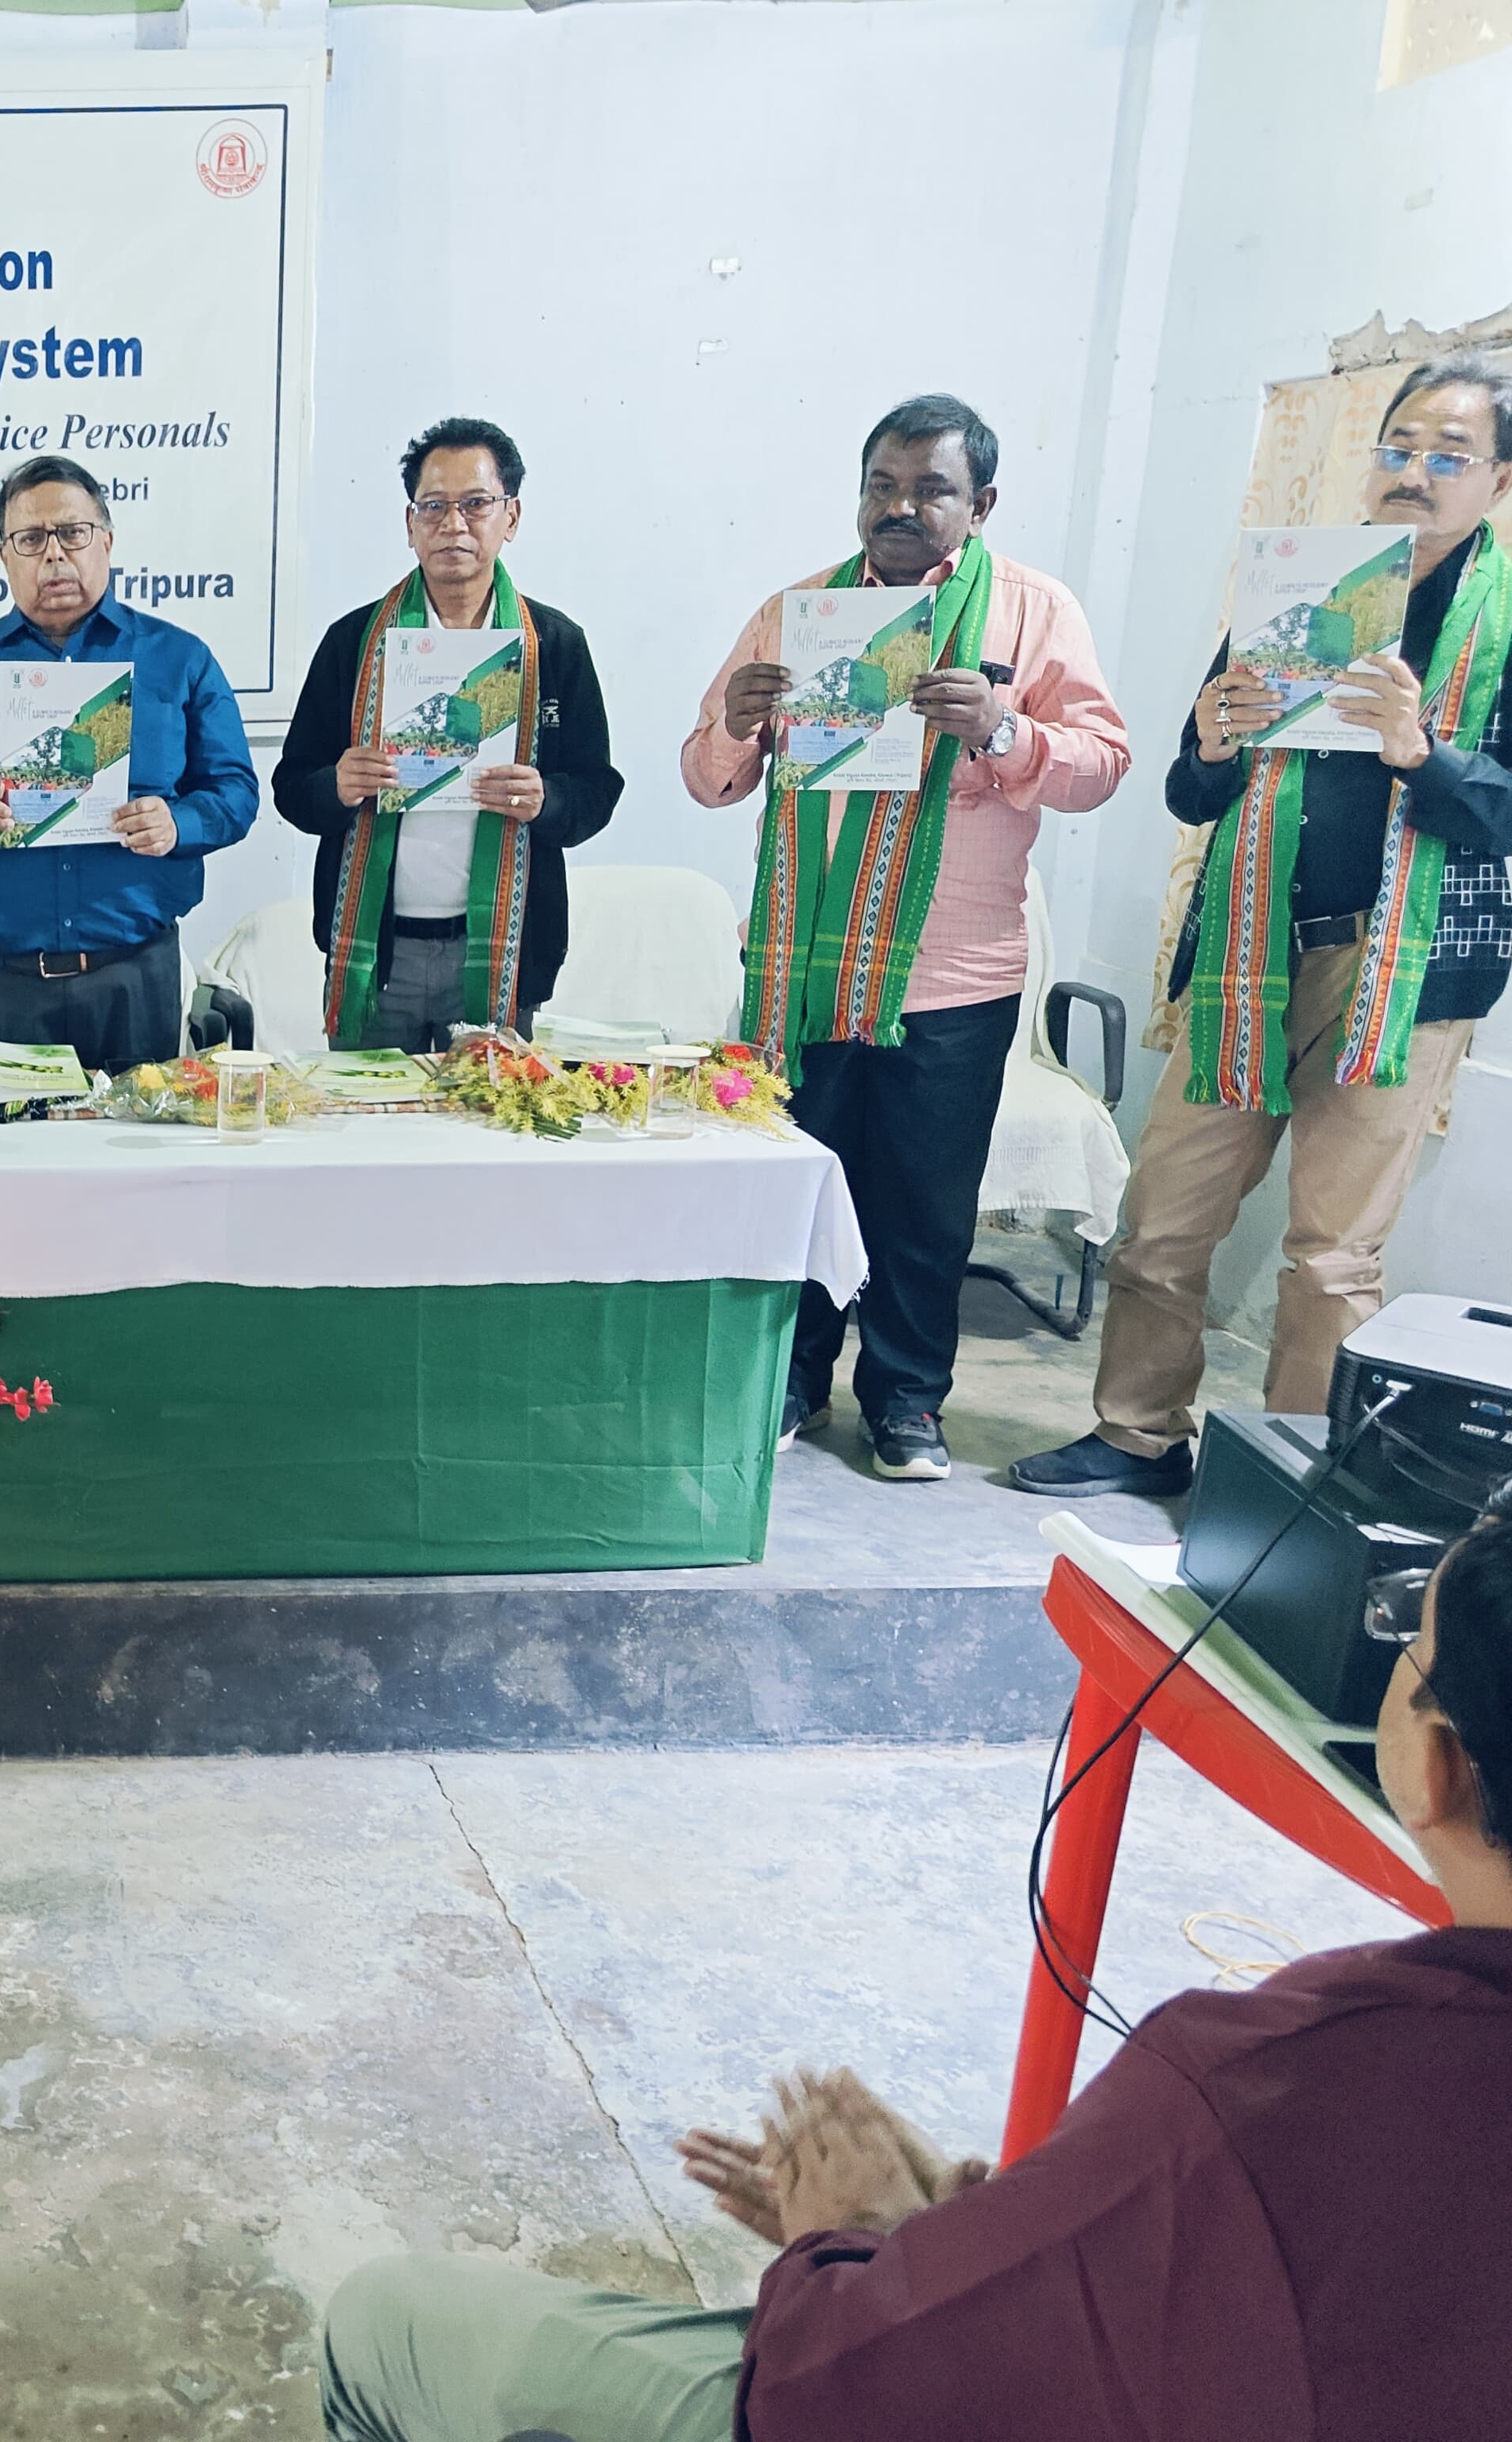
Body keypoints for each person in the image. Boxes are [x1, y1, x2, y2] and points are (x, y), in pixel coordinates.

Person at [318, 1499, 1512, 2442]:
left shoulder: (1273, 2080)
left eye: (1406, 1639)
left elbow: (832, 2391)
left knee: (386, 2324)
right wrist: (983, 2235)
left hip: (871, 2378)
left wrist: (846, 2249)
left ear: (1437, 1763)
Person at [1018, 356, 1512, 1498]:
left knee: (1332, 1256)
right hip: (1248, 953)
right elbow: (1192, 795)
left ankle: (1288, 1480)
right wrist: (1210, 744)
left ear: (1498, 479)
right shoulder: (1299, 589)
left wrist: (1421, 754)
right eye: (1398, 447)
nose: (1414, 472)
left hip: (1402, 977)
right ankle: (1137, 1436)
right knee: (1163, 1216)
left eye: (1448, 455)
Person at [683, 394, 1130, 1484]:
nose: (899, 507)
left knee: (924, 1208)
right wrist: (736, 722)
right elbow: (706, 777)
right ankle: (790, 1382)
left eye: (930, 490)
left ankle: (905, 1402)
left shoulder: (1032, 612)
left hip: (953, 975)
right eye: (881, 486)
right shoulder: (800, 612)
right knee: (797, 1189)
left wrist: (1003, 728)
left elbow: (1100, 766)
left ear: (981, 504)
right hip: (803, 966)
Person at [0, 454, 259, 1071]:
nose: (54, 554)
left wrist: (178, 823)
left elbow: (235, 792)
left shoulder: (179, 660)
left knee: (137, 1136)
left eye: (72, 533)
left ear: (106, 541)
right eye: (31, 539)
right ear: (5, 557)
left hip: (134, 978)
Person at [274, 417, 623, 1050]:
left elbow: (597, 791)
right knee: (371, 1112)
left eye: (476, 504)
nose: (453, 525)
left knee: (489, 1114)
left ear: (511, 517)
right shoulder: (354, 643)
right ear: (410, 524)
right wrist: (337, 785)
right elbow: (292, 788)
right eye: (433, 506)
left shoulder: (554, 645)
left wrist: (546, 799)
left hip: (500, 951)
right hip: (378, 958)